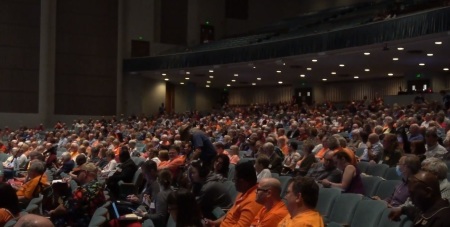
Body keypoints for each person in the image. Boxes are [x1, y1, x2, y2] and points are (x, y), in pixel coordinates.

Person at [205, 161, 263, 227]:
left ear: (242, 182)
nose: (234, 183)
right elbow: (229, 215)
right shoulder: (243, 192)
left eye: (235, 180)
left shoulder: (253, 201)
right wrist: (214, 223)